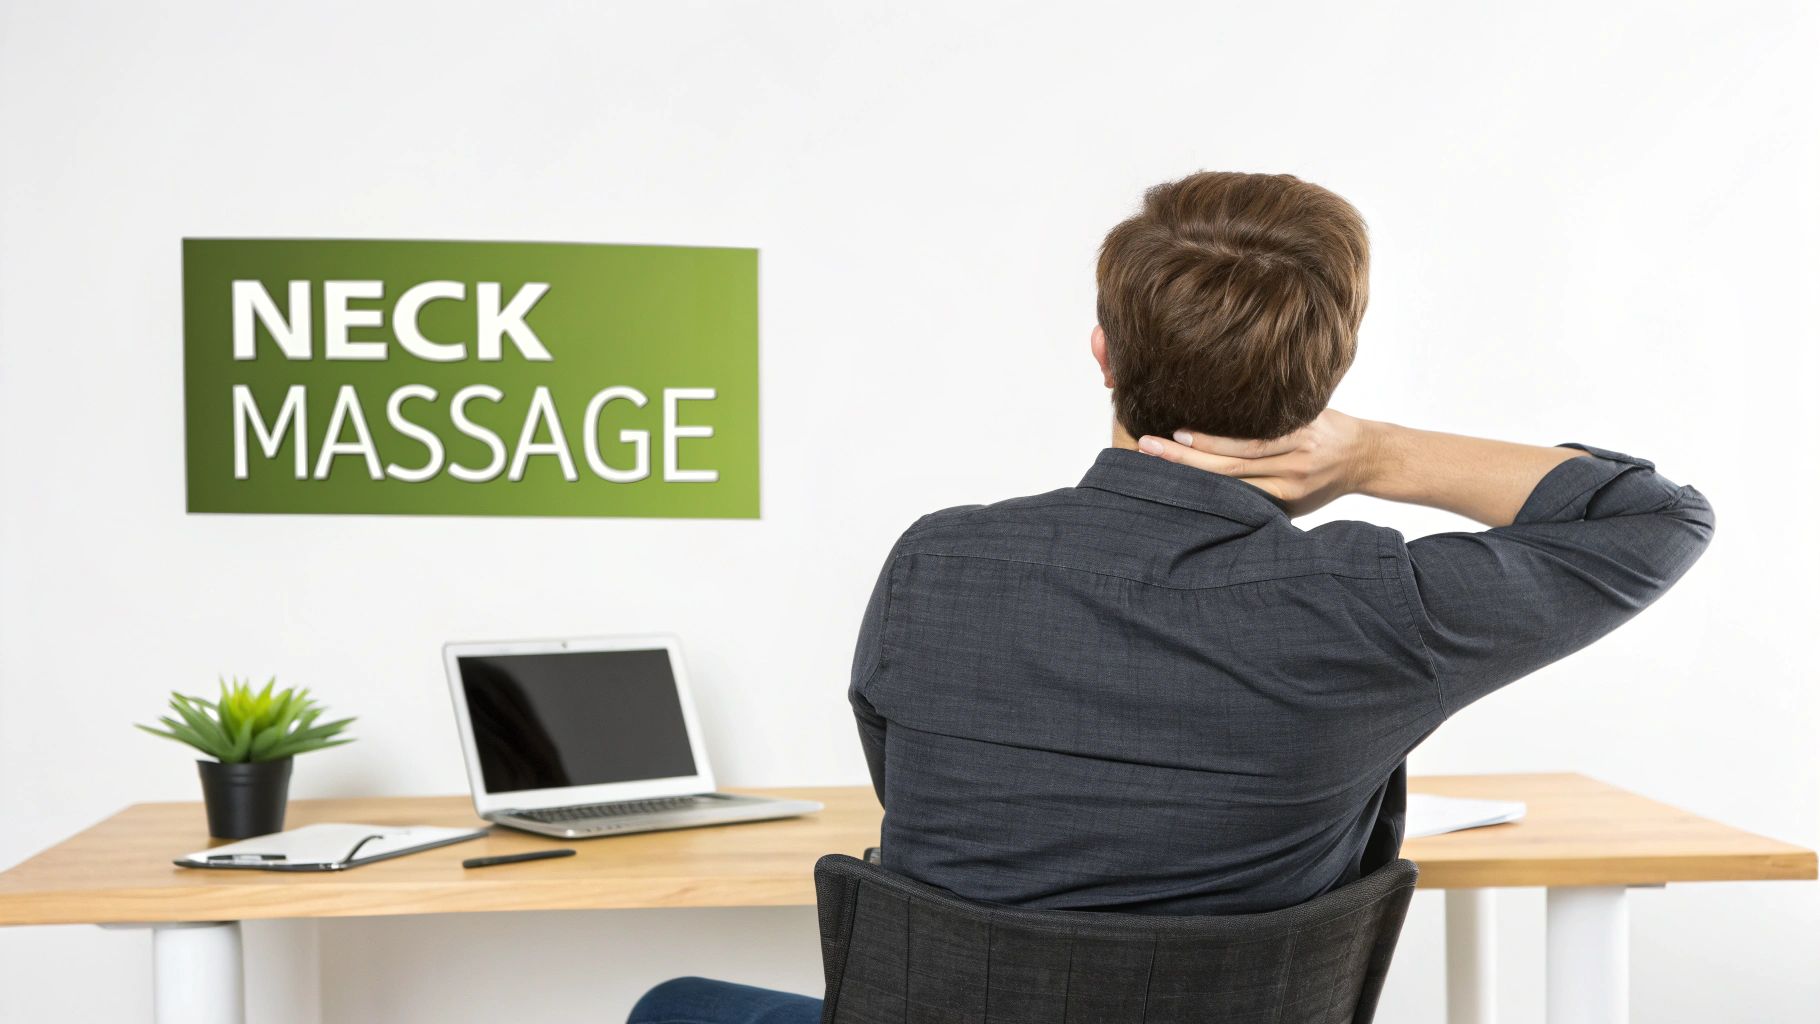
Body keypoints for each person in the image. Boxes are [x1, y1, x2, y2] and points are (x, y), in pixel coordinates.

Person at [627, 171, 1714, 1022]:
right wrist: (1373, 455)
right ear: (1324, 379)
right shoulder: (1376, 604)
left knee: (672, 1006)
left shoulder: (935, 565)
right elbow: (1652, 520)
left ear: (1104, 355)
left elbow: (904, 782)